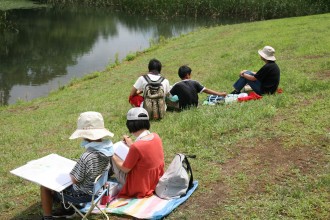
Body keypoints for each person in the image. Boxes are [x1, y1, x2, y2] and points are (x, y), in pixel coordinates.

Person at [40, 112, 114, 220]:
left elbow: (74, 180)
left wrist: (71, 173)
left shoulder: (87, 156)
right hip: (97, 190)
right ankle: (67, 209)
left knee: (45, 186)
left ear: (84, 135)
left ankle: (48, 217)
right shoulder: (108, 149)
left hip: (83, 194)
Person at [112, 107, 165, 198]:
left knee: (114, 158)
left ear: (130, 125)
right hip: (154, 180)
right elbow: (144, 150)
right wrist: (131, 144)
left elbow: (125, 169)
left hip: (140, 186)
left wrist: (112, 155)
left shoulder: (136, 147)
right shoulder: (156, 136)